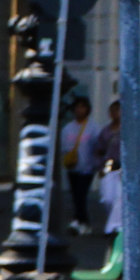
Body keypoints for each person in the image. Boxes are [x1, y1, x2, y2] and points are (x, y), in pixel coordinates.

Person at [80, 100, 125, 229]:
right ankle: (114, 219)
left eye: (118, 110)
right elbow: (99, 150)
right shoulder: (106, 131)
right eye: (112, 110)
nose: (115, 113)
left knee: (119, 197)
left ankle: (114, 226)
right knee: (107, 198)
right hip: (108, 166)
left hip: (123, 167)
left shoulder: (128, 130)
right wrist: (99, 166)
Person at [59, 96, 93, 229]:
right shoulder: (67, 128)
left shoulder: (92, 127)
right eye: (78, 107)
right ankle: (81, 219)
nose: (80, 110)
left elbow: (96, 146)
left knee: (81, 193)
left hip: (88, 167)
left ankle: (81, 220)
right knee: (75, 194)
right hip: (72, 167)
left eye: (83, 107)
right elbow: (63, 146)